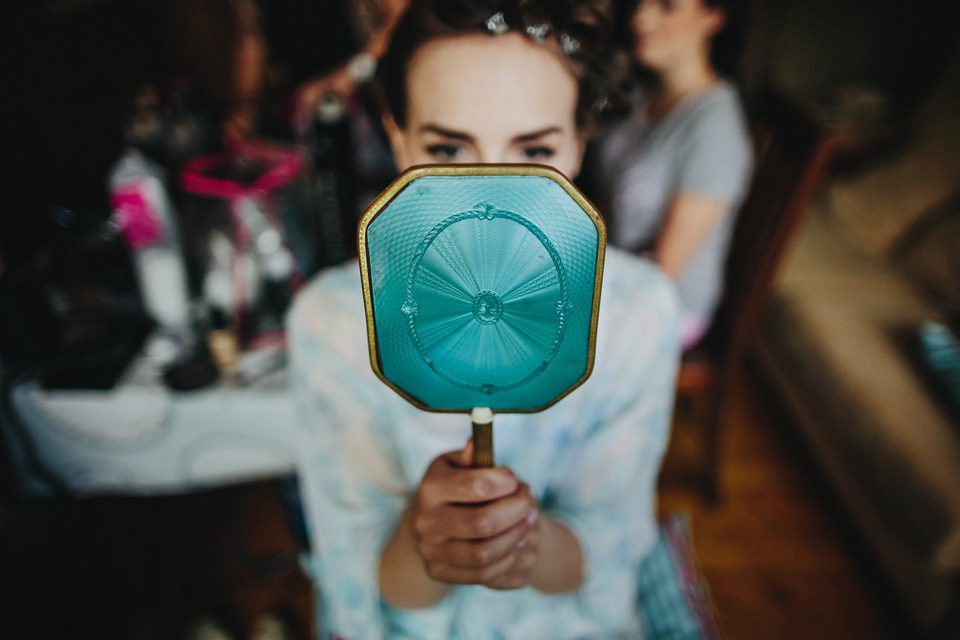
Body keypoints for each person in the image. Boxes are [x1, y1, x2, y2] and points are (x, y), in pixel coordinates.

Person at [286, 0, 683, 637]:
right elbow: (359, 588)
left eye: (533, 149)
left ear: (581, 141)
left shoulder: (636, 316)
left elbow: (608, 555)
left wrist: (524, 542)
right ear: (397, 137)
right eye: (447, 149)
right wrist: (426, 542)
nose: (489, 199)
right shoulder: (331, 325)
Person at [584, 0, 753, 349]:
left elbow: (660, 272)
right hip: (613, 270)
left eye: (667, 6)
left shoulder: (715, 130)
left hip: (664, 304)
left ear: (715, 15)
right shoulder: (642, 95)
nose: (641, 17)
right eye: (641, 3)